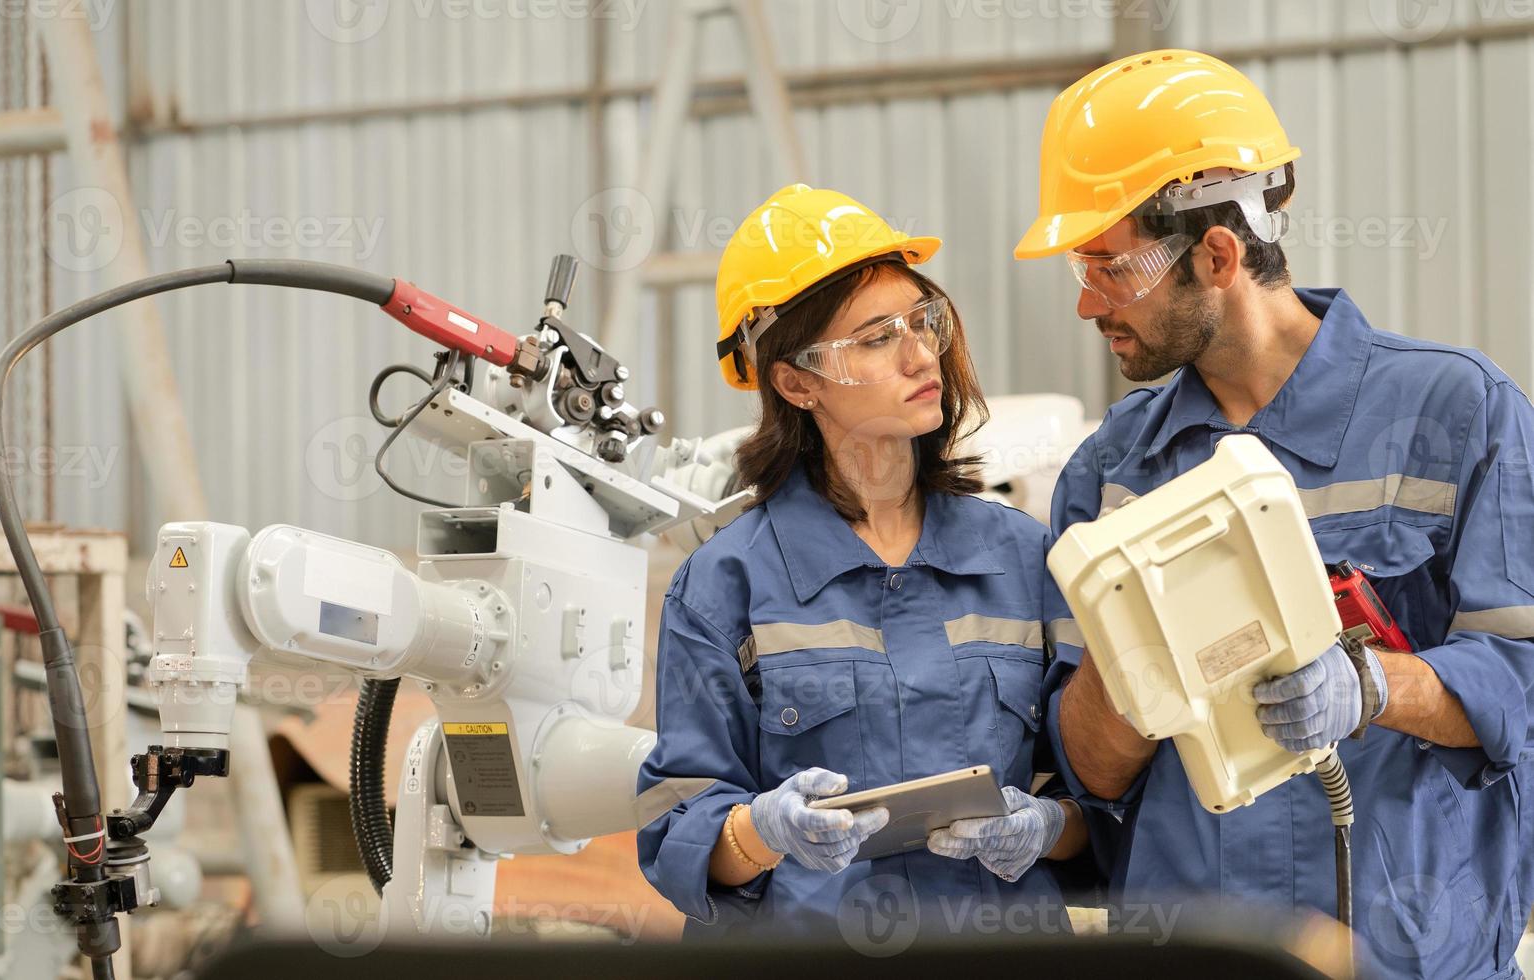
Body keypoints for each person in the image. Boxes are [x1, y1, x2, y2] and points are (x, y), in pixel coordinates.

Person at [1016, 49, 1534, 978]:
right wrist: (1136, 652)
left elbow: (1521, 680)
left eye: (1108, 267)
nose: (1089, 302)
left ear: (1216, 255)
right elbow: (1089, 773)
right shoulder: (1110, 471)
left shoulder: (1456, 414)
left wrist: (1373, 690)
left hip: (1402, 956)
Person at [635, 184, 1087, 940]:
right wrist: (763, 831)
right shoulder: (725, 583)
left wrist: (1044, 826)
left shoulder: (1021, 558)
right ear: (795, 381)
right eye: (877, 338)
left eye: (924, 321)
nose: (921, 354)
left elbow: (1103, 799)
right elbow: (676, 830)